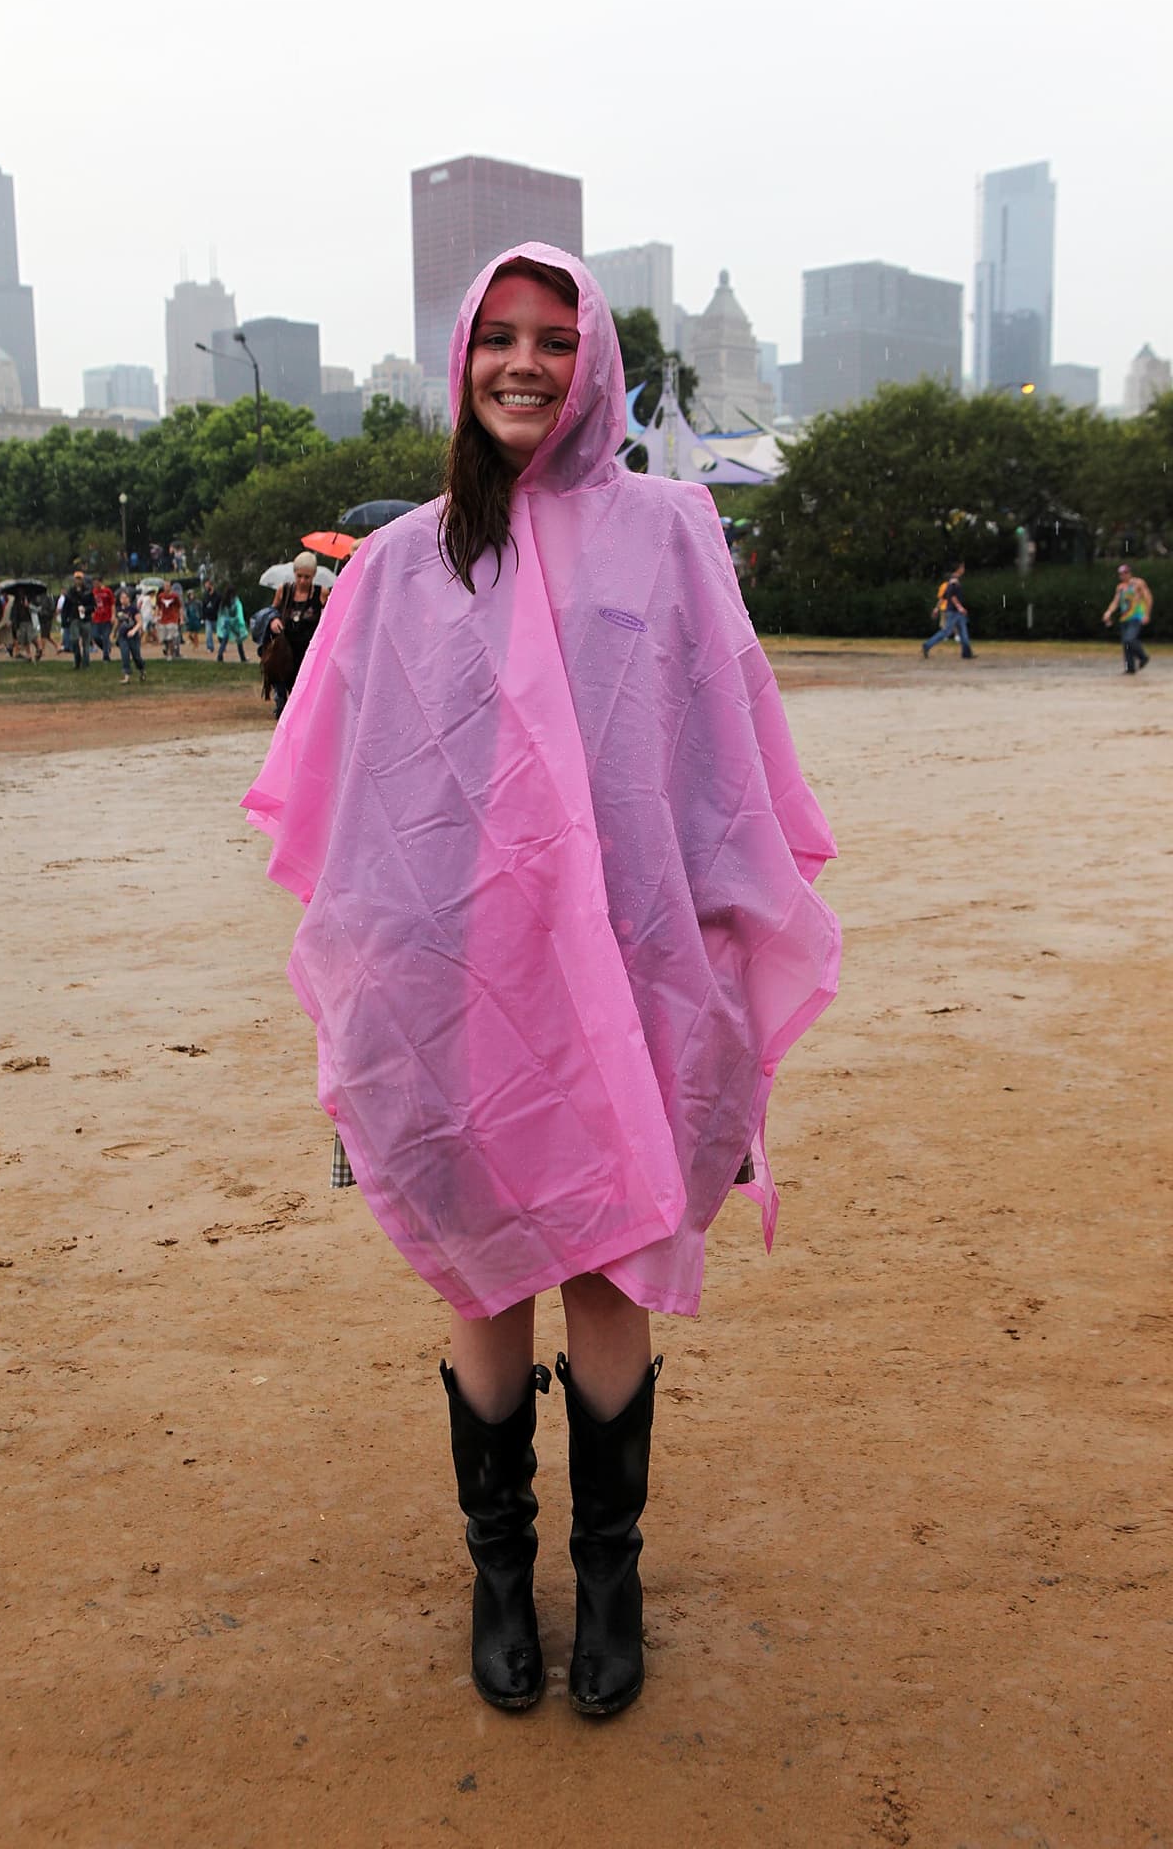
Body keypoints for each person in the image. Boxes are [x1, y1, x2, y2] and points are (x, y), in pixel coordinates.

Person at [243, 245, 840, 1721]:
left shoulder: (673, 531)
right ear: (462, 361)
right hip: (460, 983)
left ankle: (613, 1576)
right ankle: (501, 1580)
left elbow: (721, 757)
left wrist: (714, 957)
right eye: (498, 339)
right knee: (485, 1262)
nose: (524, 364)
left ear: (599, 361)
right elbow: (362, 790)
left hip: (636, 974)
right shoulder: (400, 563)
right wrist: (382, 982)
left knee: (612, 1258)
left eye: (554, 340)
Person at [258, 551, 326, 718]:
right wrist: (273, 619)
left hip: (307, 651)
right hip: (285, 650)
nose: (303, 581)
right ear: (294, 574)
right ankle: (281, 709)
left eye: (307, 577)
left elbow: (329, 618)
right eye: (300, 576)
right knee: (281, 687)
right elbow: (271, 610)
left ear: (314, 576)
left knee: (302, 693)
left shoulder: (321, 593)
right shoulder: (284, 590)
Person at [1102, 563, 1153, 673]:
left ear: (1130, 573)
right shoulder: (1120, 588)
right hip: (1125, 618)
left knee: (1129, 639)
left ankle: (1143, 656)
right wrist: (1108, 612)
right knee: (1126, 644)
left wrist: (1147, 614)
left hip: (1136, 616)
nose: (1123, 575)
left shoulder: (1138, 583)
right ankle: (1130, 668)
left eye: (1125, 573)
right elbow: (1115, 602)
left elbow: (1148, 598)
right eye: (1120, 574)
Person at [921, 561, 975, 659]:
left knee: (963, 631)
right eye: (962, 567)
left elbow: (944, 597)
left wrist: (936, 608)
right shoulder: (954, 581)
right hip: (954, 612)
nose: (964, 569)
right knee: (946, 632)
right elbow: (953, 597)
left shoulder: (951, 581)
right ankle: (927, 645)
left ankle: (966, 653)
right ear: (959, 569)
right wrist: (960, 608)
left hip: (955, 612)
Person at [62, 569, 95, 669]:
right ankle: (77, 660)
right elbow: (65, 607)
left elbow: (93, 606)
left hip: (86, 619)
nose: (78, 581)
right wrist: (64, 620)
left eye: (79, 579)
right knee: (74, 640)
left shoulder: (88, 592)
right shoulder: (70, 592)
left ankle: (86, 663)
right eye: (76, 579)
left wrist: (86, 609)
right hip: (74, 618)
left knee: (86, 643)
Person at [115, 587, 146, 683]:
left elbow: (140, 622)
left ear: (129, 599)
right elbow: (118, 622)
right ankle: (126, 676)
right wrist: (114, 632)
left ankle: (142, 670)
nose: (123, 600)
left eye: (125, 598)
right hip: (123, 636)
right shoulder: (119, 610)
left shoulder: (133, 609)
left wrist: (134, 630)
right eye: (121, 598)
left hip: (133, 637)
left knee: (136, 656)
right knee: (125, 655)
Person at [215, 587, 249, 661]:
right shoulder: (236, 601)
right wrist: (241, 622)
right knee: (238, 639)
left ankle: (220, 656)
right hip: (233, 622)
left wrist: (221, 624)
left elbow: (221, 614)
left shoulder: (224, 602)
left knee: (225, 639)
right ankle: (242, 658)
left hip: (226, 622)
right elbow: (239, 613)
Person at [156, 577, 184, 658]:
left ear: (170, 587)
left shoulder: (175, 596)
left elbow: (180, 607)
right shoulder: (160, 596)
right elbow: (158, 606)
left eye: (168, 585)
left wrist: (181, 618)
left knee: (171, 637)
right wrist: (157, 616)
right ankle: (169, 650)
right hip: (164, 619)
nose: (166, 587)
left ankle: (170, 653)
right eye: (165, 586)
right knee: (164, 638)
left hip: (173, 619)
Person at [91, 577, 115, 661]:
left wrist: (113, 615)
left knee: (105, 637)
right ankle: (106, 648)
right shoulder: (93, 592)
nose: (95, 585)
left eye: (96, 583)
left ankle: (106, 656)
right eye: (94, 583)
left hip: (107, 618)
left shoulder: (107, 591)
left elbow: (112, 604)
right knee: (95, 636)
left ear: (100, 582)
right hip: (97, 618)